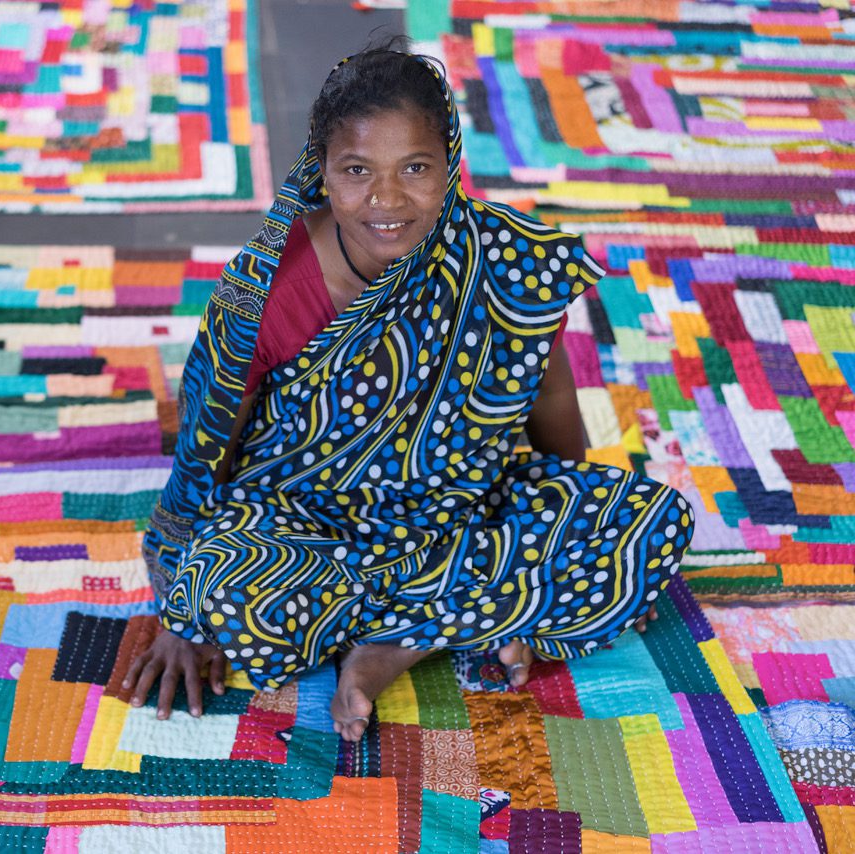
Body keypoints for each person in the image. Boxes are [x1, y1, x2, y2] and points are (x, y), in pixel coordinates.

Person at [125, 45, 694, 742]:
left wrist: (559, 507)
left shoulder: (503, 262)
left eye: (415, 169)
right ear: (322, 173)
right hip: (303, 521)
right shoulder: (264, 287)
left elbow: (554, 415)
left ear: (450, 164)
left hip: (456, 511)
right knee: (223, 587)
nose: (387, 200)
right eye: (357, 171)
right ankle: (464, 622)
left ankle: (393, 646)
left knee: (648, 521)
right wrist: (180, 613)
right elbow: (206, 448)